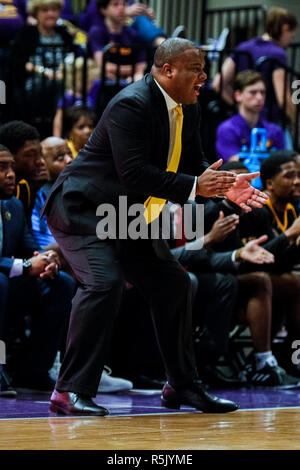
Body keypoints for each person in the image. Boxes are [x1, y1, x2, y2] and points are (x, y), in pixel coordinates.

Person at [42, 38, 268, 416]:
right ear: (168, 70)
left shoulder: (188, 107)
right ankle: (68, 391)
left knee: (174, 283)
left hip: (127, 215)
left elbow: (195, 165)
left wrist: (226, 186)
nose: (204, 76)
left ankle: (182, 386)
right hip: (82, 210)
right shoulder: (131, 104)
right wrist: (197, 187)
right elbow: (133, 175)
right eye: (196, 68)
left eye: (203, 69)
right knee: (104, 283)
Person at [0, 144, 75, 392]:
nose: (11, 174)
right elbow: (22, 261)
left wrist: (48, 260)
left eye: (11, 167)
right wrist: (24, 265)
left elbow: (29, 247)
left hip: (11, 281)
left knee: (62, 282)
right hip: (4, 280)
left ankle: (35, 369)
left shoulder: (14, 206)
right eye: (2, 168)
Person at [212, 7, 298, 132]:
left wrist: (239, 105)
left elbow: (217, 83)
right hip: (270, 122)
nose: (289, 42)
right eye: (291, 36)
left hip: (244, 121)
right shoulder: (278, 54)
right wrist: (296, 122)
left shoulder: (243, 47)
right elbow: (282, 98)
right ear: (285, 29)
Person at [10, 0, 74, 137]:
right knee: (57, 85)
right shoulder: (27, 34)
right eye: (45, 11)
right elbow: (19, 63)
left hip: (62, 78)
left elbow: (73, 56)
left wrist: (64, 71)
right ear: (36, 13)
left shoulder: (64, 34)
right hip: (34, 82)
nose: (50, 14)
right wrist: (46, 72)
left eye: (54, 10)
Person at [216, 70, 285, 163]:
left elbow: (284, 163)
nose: (259, 97)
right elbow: (233, 162)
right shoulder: (227, 129)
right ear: (238, 96)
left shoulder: (275, 131)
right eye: (253, 92)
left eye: (262, 92)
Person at [0, 120, 48, 225]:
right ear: (9, 155)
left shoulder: (25, 188)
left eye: (40, 153)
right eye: (31, 154)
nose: (40, 161)